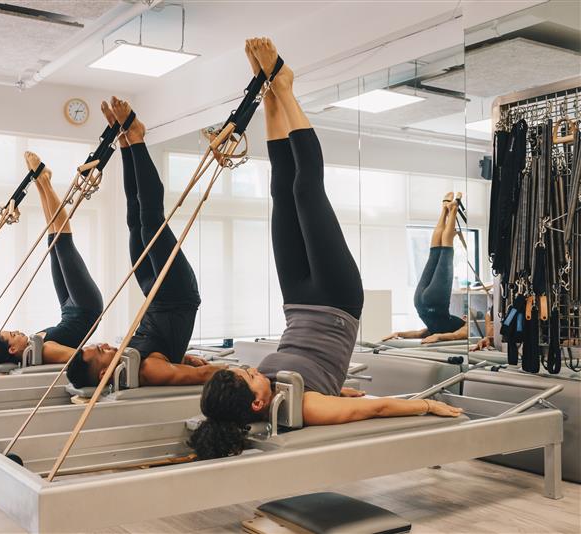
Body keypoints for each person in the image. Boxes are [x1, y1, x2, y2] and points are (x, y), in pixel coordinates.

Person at [189, 38, 464, 461]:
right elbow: (378, 407)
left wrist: (334, 384)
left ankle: (268, 98)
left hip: (296, 303)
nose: (250, 369)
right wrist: (428, 405)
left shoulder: (259, 394)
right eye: (247, 375)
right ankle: (285, 88)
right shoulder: (305, 406)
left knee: (281, 191)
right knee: (306, 189)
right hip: (337, 304)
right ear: (258, 403)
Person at [65, 97, 223, 388]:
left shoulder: (128, 360)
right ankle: (136, 138)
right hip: (177, 294)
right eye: (101, 352)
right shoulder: (148, 370)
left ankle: (125, 140)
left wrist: (182, 357)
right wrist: (248, 374)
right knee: (152, 221)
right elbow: (204, 376)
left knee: (134, 222)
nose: (106, 346)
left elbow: (168, 351)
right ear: (103, 375)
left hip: (153, 294)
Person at [0, 152, 103, 366]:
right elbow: (81, 357)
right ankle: (45, 181)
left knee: (53, 243)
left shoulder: (33, 344)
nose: (17, 330)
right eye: (13, 334)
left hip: (68, 308)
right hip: (86, 307)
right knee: (64, 243)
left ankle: (41, 180)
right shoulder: (45, 350)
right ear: (12, 349)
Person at [383, 192, 469, 345]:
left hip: (434, 302)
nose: (465, 317)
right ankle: (444, 209)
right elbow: (419, 333)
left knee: (445, 252)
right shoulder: (443, 327)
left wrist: (438, 337)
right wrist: (399, 333)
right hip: (420, 302)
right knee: (435, 252)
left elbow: (456, 335)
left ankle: (452, 208)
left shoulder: (462, 327)